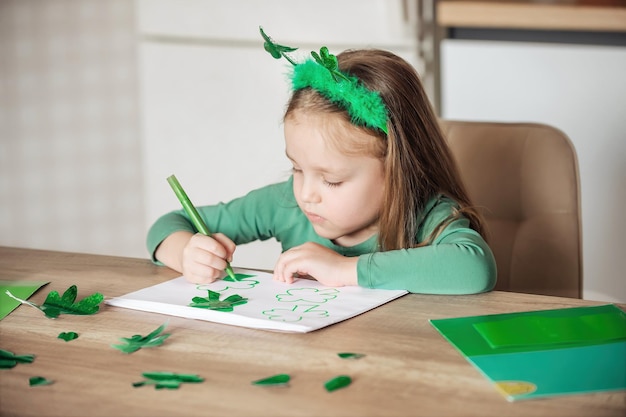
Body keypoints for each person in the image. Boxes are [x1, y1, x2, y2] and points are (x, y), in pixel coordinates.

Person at [147, 29, 497, 294]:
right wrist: (185, 253)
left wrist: (345, 270)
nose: (307, 193)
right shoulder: (284, 204)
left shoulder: (427, 214)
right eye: (298, 169)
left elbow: (474, 269)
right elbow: (168, 224)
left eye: (331, 180)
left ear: (397, 170)